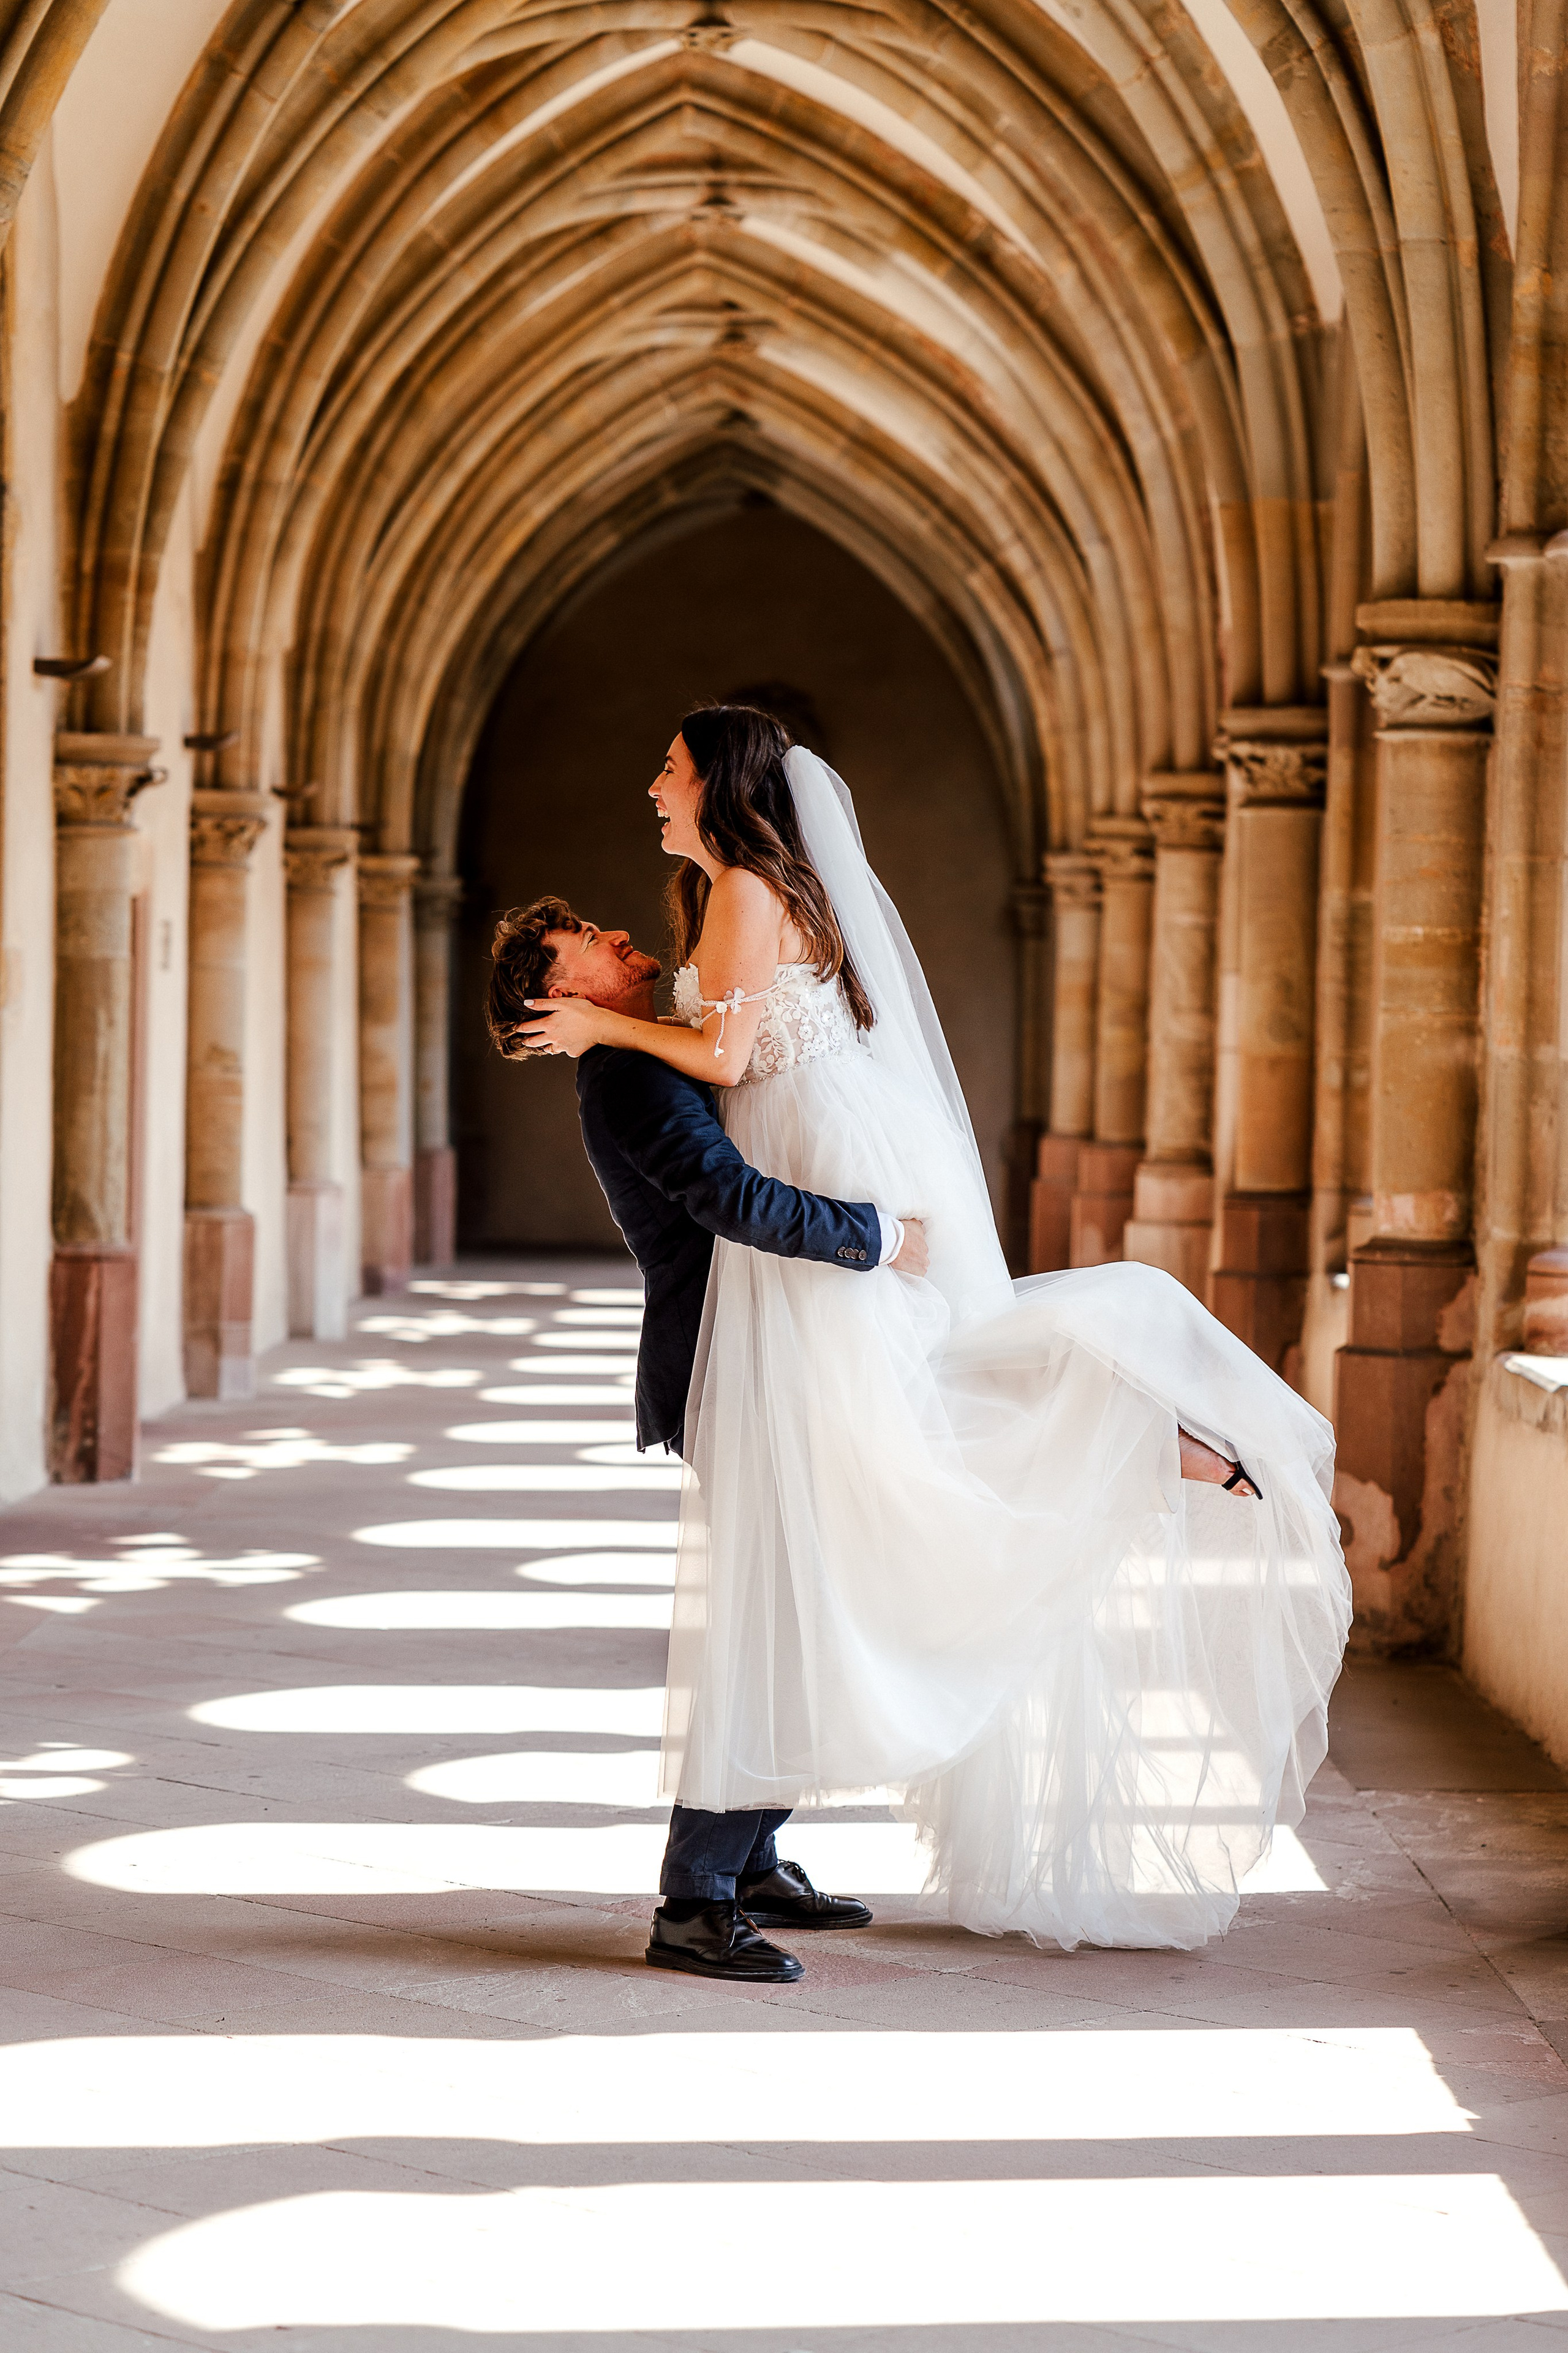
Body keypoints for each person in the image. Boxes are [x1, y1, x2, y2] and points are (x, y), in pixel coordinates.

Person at [511, 707, 1351, 1952]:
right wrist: (614, 1036)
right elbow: (730, 1086)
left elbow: (732, 1054)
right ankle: (719, 1875)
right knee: (859, 1511)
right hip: (810, 1230)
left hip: (821, 1230)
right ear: (550, 988)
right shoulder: (727, 913)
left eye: (672, 768)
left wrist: (605, 1022)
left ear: (724, 785)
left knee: (861, 1511)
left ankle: (720, 1875)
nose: (652, 785)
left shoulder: (734, 896)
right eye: (588, 954)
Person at [487, 898, 929, 1983]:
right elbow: (728, 1196)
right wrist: (875, 1238)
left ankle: (754, 1860)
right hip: (726, 1373)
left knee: (797, 1608)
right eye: (585, 942)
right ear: (564, 995)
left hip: (756, 1359)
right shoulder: (628, 1078)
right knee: (777, 1624)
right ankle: (694, 1898)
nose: (614, 935)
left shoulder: (646, 1045)